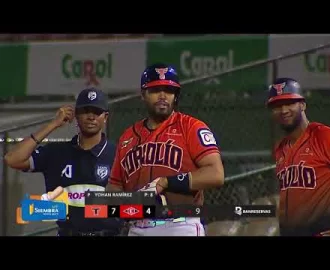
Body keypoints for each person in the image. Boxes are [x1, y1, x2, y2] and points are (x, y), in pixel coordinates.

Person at [106, 63, 225, 236]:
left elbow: (216, 174)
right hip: (138, 225)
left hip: (180, 224)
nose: (163, 96)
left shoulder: (191, 127)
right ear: (143, 94)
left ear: (175, 96)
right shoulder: (127, 137)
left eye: (169, 90)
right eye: (155, 90)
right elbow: (114, 186)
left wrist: (167, 182)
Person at [5, 87, 123, 236]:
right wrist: (53, 124)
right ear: (76, 115)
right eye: (86, 111)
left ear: (105, 117)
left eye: (97, 112)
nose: (91, 117)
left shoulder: (119, 154)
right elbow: (12, 159)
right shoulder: (56, 152)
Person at [267, 77, 330, 236]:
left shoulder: (327, 137)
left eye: (289, 103)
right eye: (277, 106)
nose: (283, 110)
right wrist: (245, 210)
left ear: (302, 105)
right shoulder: (280, 148)